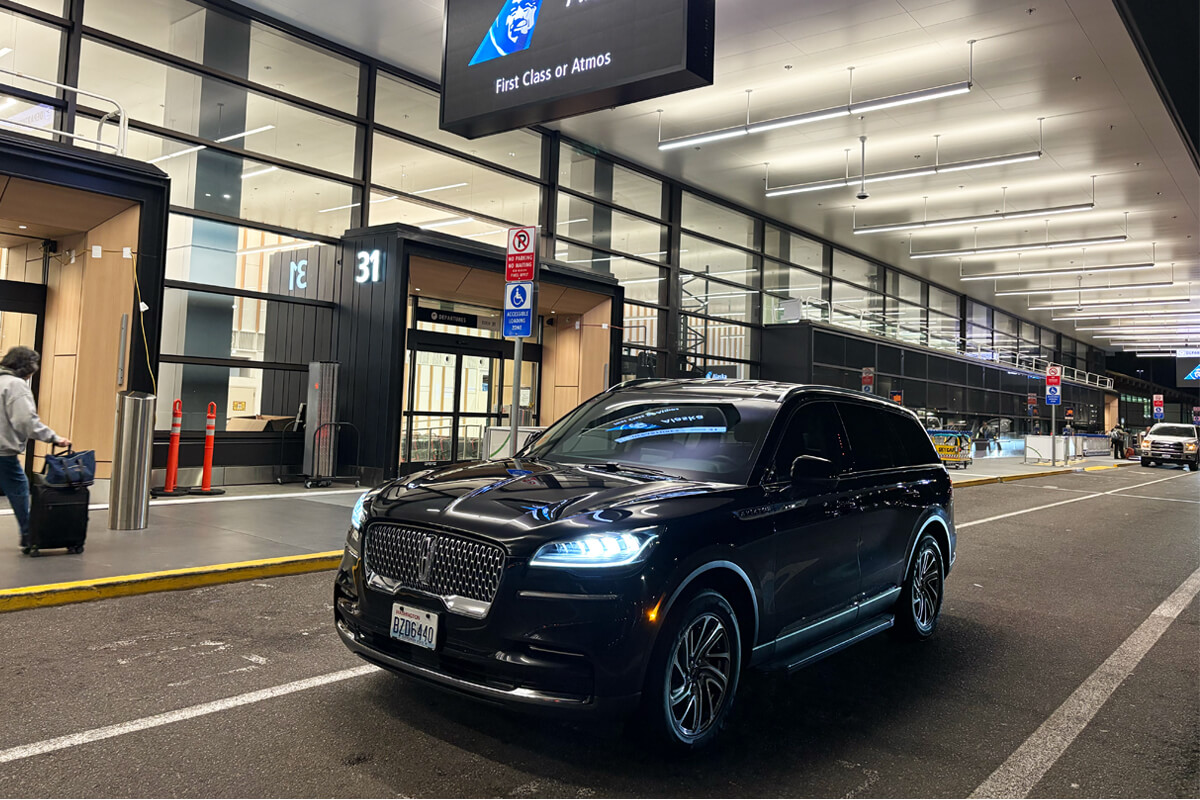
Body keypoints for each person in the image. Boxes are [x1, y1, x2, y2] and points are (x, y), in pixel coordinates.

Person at [0, 347, 70, 549]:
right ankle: (29, 534)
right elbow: (25, 421)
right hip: (3, 452)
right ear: (27, 368)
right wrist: (54, 438)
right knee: (19, 489)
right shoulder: (15, 385)